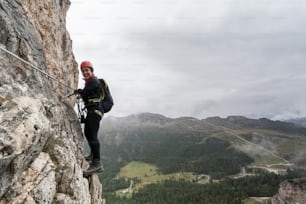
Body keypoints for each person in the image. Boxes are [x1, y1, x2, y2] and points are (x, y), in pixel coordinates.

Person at [74, 61, 104, 175]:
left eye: (87, 70)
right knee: (89, 133)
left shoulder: (93, 81)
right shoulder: (90, 82)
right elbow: (86, 94)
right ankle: (93, 155)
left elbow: (85, 93)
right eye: (83, 71)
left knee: (92, 135)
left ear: (91, 71)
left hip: (95, 111)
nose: (85, 72)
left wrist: (80, 92)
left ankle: (97, 163)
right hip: (94, 111)